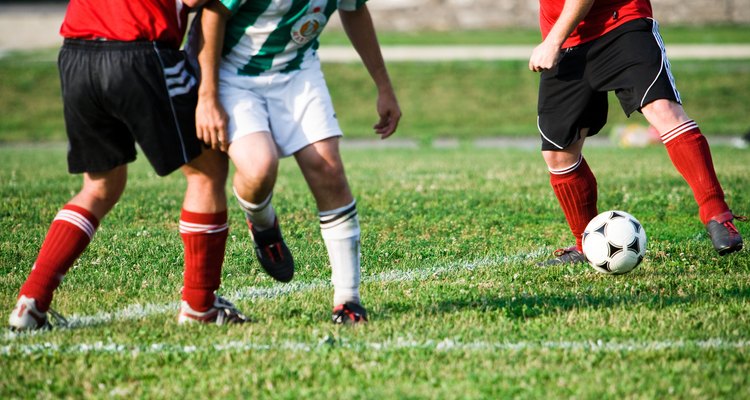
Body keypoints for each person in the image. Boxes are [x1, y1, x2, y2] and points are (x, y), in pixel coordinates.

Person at [8, 0, 249, 330]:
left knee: (100, 187)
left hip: (77, 53)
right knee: (207, 172)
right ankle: (199, 304)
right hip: (139, 49)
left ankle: (31, 303)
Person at [193, 0, 401, 324]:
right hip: (235, 74)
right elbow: (212, 12)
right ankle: (262, 223)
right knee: (259, 168)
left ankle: (348, 301)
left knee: (328, 170)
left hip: (297, 72)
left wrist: (384, 86)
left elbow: (355, 10)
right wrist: (207, 96)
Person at [528, 0, 744, 265]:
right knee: (558, 155)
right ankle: (585, 244)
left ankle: (717, 215)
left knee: (663, 111)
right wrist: (557, 39)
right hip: (567, 43)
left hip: (620, 24)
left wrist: (552, 41)